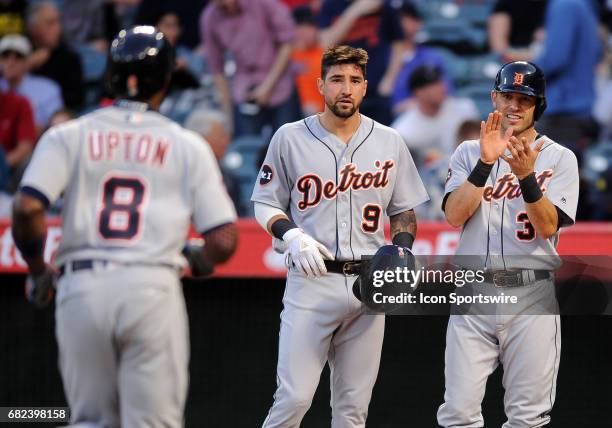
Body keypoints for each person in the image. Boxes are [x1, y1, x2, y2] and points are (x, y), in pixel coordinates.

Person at [11, 26, 238, 427]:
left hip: (81, 285)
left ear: (113, 76)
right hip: (151, 286)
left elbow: (28, 207)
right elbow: (223, 238)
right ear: (164, 80)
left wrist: (36, 269)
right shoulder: (187, 144)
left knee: (90, 421)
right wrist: (200, 260)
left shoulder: (69, 134)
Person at [251, 45, 429, 427]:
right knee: (294, 399)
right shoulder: (290, 137)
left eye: (353, 81)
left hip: (368, 281)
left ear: (365, 87)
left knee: (352, 411)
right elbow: (264, 203)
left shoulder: (389, 140)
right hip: (312, 279)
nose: (345, 89)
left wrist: (402, 249)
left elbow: (403, 209)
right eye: (336, 80)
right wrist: (292, 234)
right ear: (321, 85)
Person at [437, 61, 579, 427]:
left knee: (527, 418)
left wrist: (526, 176)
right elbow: (454, 216)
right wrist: (485, 163)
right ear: (493, 98)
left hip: (530, 293)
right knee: (457, 414)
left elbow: (548, 226)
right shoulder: (469, 152)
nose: (514, 106)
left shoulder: (561, 158)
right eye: (507, 96)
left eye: (524, 98)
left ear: (538, 105)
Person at [201, 0, 301, 138]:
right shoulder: (210, 17)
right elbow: (216, 67)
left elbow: (287, 43)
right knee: (247, 149)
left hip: (279, 84)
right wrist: (228, 116)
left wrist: (267, 87)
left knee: (289, 146)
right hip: (244, 90)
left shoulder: (263, 4)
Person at [317, 0, 403, 126]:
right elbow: (325, 42)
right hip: (342, 88)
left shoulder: (382, 5)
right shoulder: (331, 4)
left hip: (377, 88)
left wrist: (390, 79)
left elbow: (399, 45)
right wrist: (355, 11)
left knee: (379, 138)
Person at [392, 65, 479, 166]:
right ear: (418, 93)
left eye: (440, 81)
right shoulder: (404, 129)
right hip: (430, 179)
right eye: (433, 85)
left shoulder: (465, 108)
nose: (441, 87)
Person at [381, 0, 453, 116]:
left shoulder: (433, 57)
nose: (400, 22)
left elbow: (447, 93)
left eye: (406, 17)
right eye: (396, 18)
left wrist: (419, 104)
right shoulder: (379, 58)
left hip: (431, 116)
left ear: (418, 23)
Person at [26, 1, 84, 110]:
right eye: (50, 23)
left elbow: (75, 100)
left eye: (58, 22)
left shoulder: (69, 58)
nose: (57, 28)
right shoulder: (18, 53)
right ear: (33, 28)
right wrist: (27, 65)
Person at [0, 34, 63, 135]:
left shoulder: (48, 88)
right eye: (5, 56)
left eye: (18, 57)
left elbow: (58, 125)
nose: (11, 62)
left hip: (41, 145)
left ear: (27, 61)